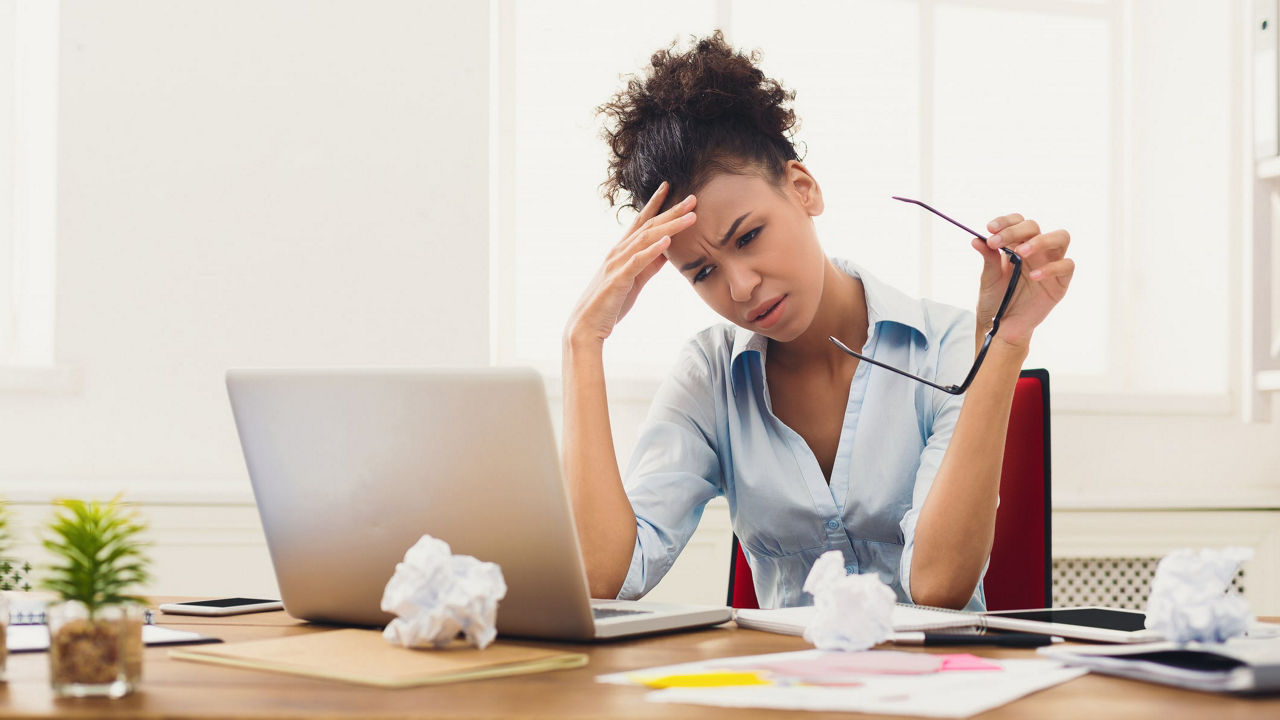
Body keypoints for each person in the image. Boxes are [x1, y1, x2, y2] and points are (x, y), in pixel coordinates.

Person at [561, 32, 1074, 610]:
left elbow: (938, 588)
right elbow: (602, 578)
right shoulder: (709, 373)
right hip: (786, 694)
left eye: (749, 236)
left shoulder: (952, 344)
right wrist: (584, 342)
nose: (741, 286)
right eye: (702, 273)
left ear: (802, 190)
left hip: (936, 692)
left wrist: (1003, 347)